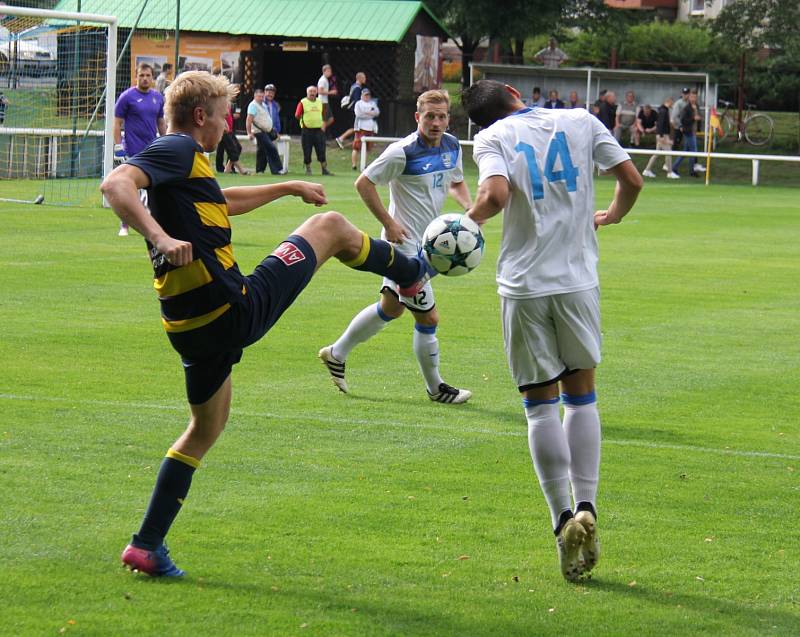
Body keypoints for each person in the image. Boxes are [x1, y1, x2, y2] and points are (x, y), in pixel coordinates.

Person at [101, 70, 437, 578]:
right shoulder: (174, 150)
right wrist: (161, 238)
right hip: (232, 309)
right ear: (200, 117)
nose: (226, 123)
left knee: (204, 429)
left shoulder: (187, 165)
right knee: (330, 228)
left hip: (191, 328)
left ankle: (146, 544)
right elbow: (115, 183)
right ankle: (412, 274)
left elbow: (219, 201)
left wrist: (287, 186)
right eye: (222, 116)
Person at [461, 79, 642, 582]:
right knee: (581, 396)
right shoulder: (582, 120)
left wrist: (460, 224)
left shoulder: (491, 137)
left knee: (539, 406)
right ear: (516, 92)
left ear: (484, 120)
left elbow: (495, 195)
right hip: (578, 282)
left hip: (523, 286)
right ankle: (588, 505)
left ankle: (562, 518)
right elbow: (632, 179)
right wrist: (611, 216)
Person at [320, 89, 473, 404]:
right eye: (429, 116)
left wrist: (469, 208)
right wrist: (389, 223)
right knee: (428, 318)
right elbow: (364, 183)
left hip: (430, 246)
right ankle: (436, 389)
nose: (436, 122)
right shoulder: (401, 152)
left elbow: (456, 182)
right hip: (404, 247)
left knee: (391, 308)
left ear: (448, 118)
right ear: (418, 117)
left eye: (442, 116)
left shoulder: (452, 145)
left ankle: (337, 353)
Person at [113, 62, 166, 236]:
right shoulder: (127, 97)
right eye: (141, 75)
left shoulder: (158, 98)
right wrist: (118, 146)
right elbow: (117, 122)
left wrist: (166, 142)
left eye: (148, 75)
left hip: (152, 150)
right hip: (132, 150)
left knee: (154, 188)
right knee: (131, 188)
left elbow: (160, 123)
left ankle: (152, 222)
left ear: (152, 78)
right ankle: (124, 225)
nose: (144, 78)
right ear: (136, 76)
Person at [246, 87, 284, 175]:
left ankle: (260, 170)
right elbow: (249, 120)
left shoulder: (263, 105)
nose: (261, 98)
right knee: (272, 148)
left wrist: (274, 131)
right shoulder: (253, 105)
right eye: (259, 96)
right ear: (255, 96)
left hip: (268, 131)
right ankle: (278, 169)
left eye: (262, 96)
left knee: (263, 150)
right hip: (259, 131)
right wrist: (249, 133)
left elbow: (267, 119)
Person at [295, 85, 331, 176]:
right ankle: (308, 169)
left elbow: (323, 114)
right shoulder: (303, 102)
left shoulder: (320, 102)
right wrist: (304, 122)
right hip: (306, 130)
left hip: (318, 130)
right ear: (307, 92)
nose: (312, 93)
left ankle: (324, 169)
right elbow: (297, 115)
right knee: (307, 150)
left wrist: (323, 125)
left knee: (321, 150)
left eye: (314, 91)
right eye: (310, 91)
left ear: (317, 92)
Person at [671, 90, 705, 178]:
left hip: (693, 131)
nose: (694, 99)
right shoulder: (686, 108)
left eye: (695, 97)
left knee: (686, 151)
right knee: (693, 151)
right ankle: (692, 171)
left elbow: (699, 117)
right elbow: (683, 120)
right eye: (692, 97)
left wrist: (699, 121)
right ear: (689, 98)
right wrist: (694, 119)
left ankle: (674, 167)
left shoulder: (696, 106)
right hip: (688, 132)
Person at [643, 98, 677, 179]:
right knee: (668, 153)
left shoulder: (663, 110)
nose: (672, 104)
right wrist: (661, 136)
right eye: (672, 102)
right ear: (668, 102)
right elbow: (660, 124)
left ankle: (647, 170)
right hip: (663, 135)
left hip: (662, 134)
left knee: (657, 153)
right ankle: (670, 172)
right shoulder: (663, 111)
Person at [335, 71, 367, 149]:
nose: (365, 79)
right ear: (359, 78)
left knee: (357, 127)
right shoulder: (358, 88)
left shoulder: (353, 86)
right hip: (354, 110)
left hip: (351, 109)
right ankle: (341, 138)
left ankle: (358, 142)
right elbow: (356, 101)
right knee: (355, 127)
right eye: (364, 78)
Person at [351, 87, 380, 170]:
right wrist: (369, 114)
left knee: (367, 148)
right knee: (356, 147)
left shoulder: (372, 103)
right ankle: (354, 165)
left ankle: (364, 164)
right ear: (362, 95)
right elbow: (359, 114)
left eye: (368, 95)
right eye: (365, 95)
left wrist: (367, 113)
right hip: (360, 128)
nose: (367, 97)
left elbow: (377, 112)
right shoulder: (358, 104)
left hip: (370, 128)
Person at [317, 64, 338, 135]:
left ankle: (319, 131)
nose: (330, 73)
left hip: (325, 102)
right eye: (329, 71)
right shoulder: (322, 80)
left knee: (331, 119)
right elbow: (320, 91)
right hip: (323, 102)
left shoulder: (325, 79)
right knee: (324, 120)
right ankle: (320, 135)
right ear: (324, 71)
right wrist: (331, 92)